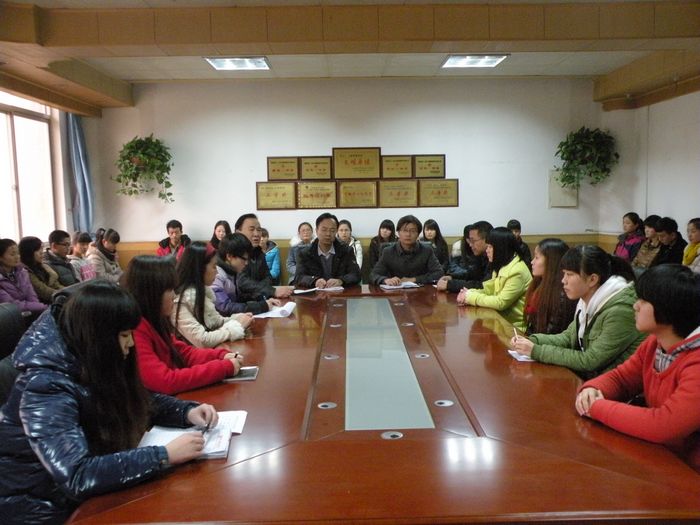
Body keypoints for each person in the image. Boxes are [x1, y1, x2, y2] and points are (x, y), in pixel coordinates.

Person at [0, 281, 218, 524]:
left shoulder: (86, 356)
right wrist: (163, 455)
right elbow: (77, 475)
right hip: (42, 509)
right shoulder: (45, 386)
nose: (131, 343)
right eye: (124, 335)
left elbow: (136, 398)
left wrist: (186, 412)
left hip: (82, 497)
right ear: (98, 336)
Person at [575, 264, 700, 472]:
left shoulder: (695, 360)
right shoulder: (655, 342)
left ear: (667, 309)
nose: (635, 306)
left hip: (689, 472)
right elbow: (622, 379)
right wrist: (592, 389)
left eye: (643, 301)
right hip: (662, 457)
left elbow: (664, 425)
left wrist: (596, 407)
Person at [512, 245, 646, 379]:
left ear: (592, 279)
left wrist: (536, 351)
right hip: (591, 380)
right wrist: (532, 340)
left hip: (610, 385)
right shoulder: (587, 300)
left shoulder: (621, 310)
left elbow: (590, 360)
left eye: (569, 275)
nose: (563, 280)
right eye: (564, 273)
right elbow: (567, 338)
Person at [125, 255, 243, 395]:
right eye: (169, 290)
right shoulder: (136, 329)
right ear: (152, 293)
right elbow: (165, 381)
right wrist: (222, 367)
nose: (174, 295)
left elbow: (183, 353)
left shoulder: (156, 320)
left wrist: (221, 355)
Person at [172, 242, 252, 348]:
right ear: (200, 269)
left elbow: (216, 322)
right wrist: (237, 327)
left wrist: (239, 318)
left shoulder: (202, 291)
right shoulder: (179, 300)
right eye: (214, 267)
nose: (217, 272)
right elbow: (202, 340)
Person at [456, 227, 532, 332]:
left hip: (515, 329)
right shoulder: (501, 265)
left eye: (490, 247)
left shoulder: (517, 271)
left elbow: (500, 303)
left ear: (501, 248)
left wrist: (470, 297)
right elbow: (490, 291)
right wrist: (469, 292)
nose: (487, 251)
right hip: (499, 323)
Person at [212, 233, 280, 315]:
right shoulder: (216, 275)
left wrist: (263, 300)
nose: (247, 263)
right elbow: (224, 307)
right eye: (244, 259)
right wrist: (262, 306)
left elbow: (239, 298)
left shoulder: (232, 271)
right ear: (229, 256)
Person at [370, 215, 443, 286]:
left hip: (421, 291)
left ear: (418, 234)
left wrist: (414, 279)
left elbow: (439, 273)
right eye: (404, 230)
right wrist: (385, 280)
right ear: (398, 233)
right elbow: (373, 275)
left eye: (413, 231)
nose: (408, 234)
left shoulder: (427, 251)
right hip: (395, 291)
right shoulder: (388, 252)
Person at [524, 238, 577, 335]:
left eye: (537, 258)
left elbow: (554, 333)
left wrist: (531, 341)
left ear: (552, 261)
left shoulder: (563, 293)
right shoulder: (539, 283)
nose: (532, 262)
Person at [295, 213, 361, 289]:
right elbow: (299, 277)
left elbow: (356, 275)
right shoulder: (305, 253)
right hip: (315, 294)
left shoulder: (346, 250)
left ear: (336, 232)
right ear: (316, 231)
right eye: (324, 230)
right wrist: (314, 281)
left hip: (340, 294)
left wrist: (341, 280)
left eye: (332, 230)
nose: (328, 234)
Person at [235, 213, 293, 299]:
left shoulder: (259, 252)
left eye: (259, 230)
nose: (256, 234)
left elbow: (268, 277)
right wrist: (271, 291)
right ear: (238, 232)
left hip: (259, 299)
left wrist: (264, 292)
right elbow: (242, 282)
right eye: (251, 229)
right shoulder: (234, 253)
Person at [437, 221, 493, 293]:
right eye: (469, 241)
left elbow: (483, 286)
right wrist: (452, 277)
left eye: (473, 241)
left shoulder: (495, 257)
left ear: (487, 239)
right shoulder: (481, 255)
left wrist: (450, 285)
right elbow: (472, 274)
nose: (470, 245)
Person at [0, 238, 46, 317]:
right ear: (0, 257)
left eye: (18, 253)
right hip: (10, 318)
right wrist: (41, 307)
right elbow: (11, 305)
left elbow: (32, 295)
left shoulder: (23, 272)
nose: (17, 257)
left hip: (30, 312)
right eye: (12, 254)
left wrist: (39, 308)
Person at [19, 236, 63, 304]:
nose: (41, 252)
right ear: (28, 252)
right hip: (42, 304)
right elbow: (43, 291)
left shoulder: (43, 266)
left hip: (55, 299)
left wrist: (68, 291)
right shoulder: (24, 271)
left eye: (41, 248)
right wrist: (65, 294)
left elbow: (56, 285)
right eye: (37, 250)